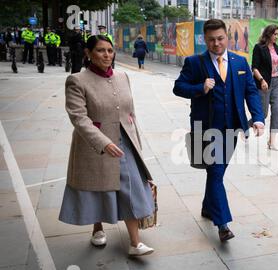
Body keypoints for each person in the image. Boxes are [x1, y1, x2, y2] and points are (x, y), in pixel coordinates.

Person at [59, 35, 155, 257]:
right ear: (88, 53)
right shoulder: (77, 81)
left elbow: (130, 112)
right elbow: (78, 118)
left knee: (131, 187)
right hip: (95, 145)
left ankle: (135, 242)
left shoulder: (123, 76)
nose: (107, 55)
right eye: (101, 50)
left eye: (110, 51)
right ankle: (97, 228)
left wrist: (136, 139)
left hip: (125, 143)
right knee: (98, 187)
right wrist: (103, 142)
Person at [173, 19, 265, 242]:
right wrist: (200, 88)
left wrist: (258, 118)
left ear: (227, 37)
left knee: (217, 172)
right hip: (206, 129)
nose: (216, 43)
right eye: (211, 39)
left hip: (233, 128)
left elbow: (250, 92)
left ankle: (207, 206)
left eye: (220, 38)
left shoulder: (240, 62)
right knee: (215, 172)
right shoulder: (194, 63)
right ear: (205, 39)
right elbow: (178, 87)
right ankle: (222, 223)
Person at [251, 24, 278, 151]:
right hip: (264, 83)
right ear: (268, 34)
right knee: (263, 114)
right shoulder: (259, 48)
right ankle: (244, 125)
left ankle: (273, 142)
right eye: (274, 34)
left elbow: (277, 66)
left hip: (277, 82)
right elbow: (254, 67)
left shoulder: (276, 48)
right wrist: (261, 80)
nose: (277, 36)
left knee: (276, 112)